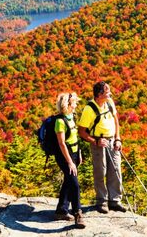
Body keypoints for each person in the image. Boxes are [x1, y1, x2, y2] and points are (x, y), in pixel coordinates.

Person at [77, 81, 126, 213]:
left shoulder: (109, 103)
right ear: (99, 95)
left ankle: (115, 200)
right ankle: (102, 201)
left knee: (116, 169)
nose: (110, 94)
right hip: (98, 143)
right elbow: (81, 131)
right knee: (100, 172)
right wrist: (95, 141)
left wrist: (118, 138)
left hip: (112, 140)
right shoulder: (89, 109)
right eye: (107, 92)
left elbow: (116, 120)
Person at [54, 92, 86, 228]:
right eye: (74, 102)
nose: (76, 104)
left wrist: (78, 153)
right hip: (64, 156)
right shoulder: (60, 121)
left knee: (68, 181)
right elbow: (62, 144)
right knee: (74, 184)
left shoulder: (72, 116)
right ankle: (78, 214)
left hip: (73, 153)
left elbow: (74, 137)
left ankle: (61, 210)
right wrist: (69, 162)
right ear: (67, 104)